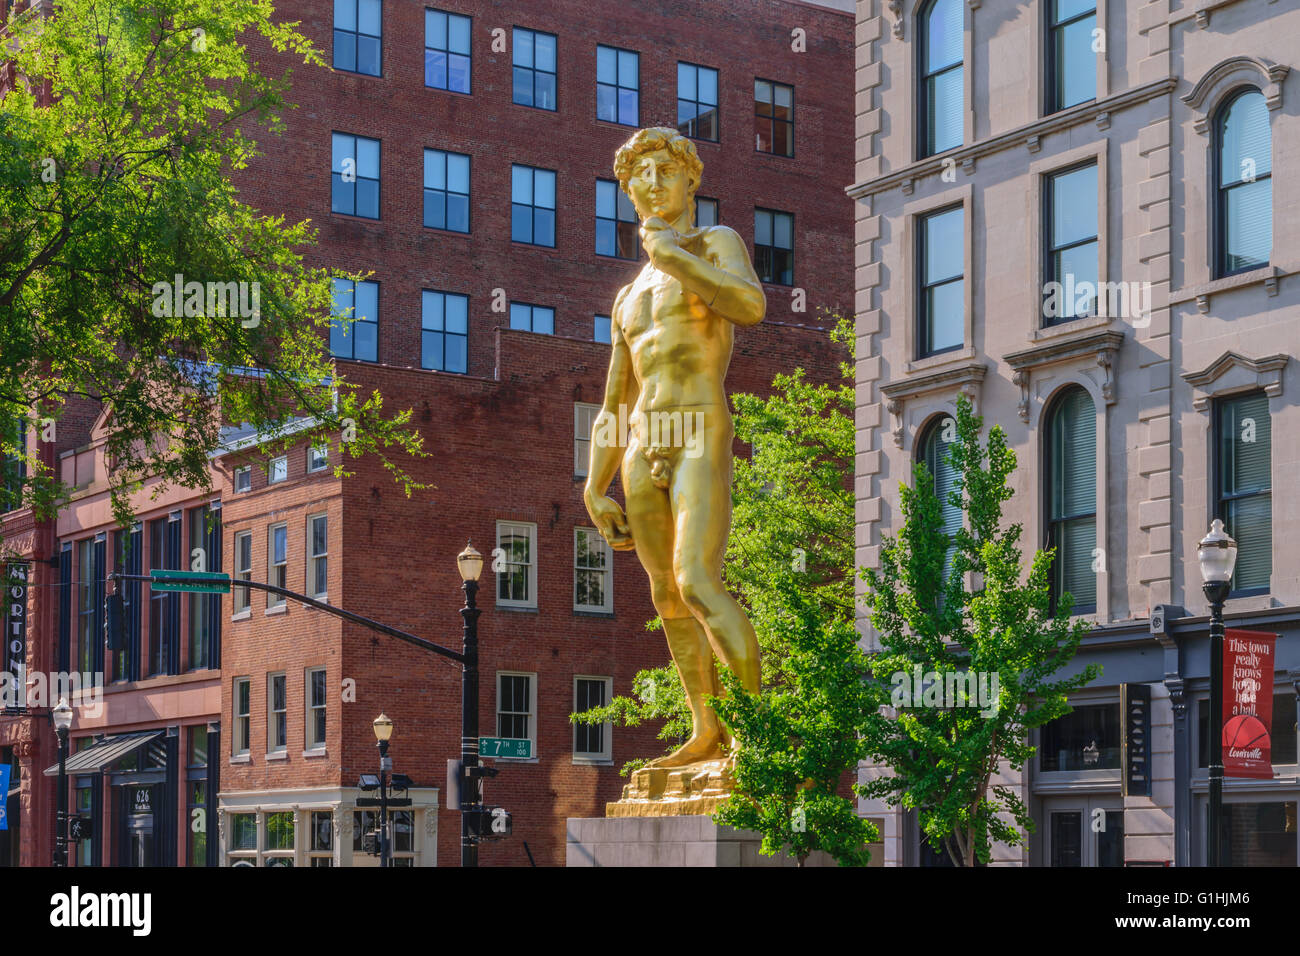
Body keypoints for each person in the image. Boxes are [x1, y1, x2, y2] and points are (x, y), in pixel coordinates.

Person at [583, 127, 764, 769]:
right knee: (665, 595)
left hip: (697, 428)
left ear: (691, 181)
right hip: (641, 443)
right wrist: (593, 487)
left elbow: (749, 305)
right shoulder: (626, 297)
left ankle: (757, 737)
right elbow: (614, 402)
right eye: (641, 176)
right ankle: (705, 731)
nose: (653, 183)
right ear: (629, 194)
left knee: (696, 581)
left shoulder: (714, 243)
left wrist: (671, 256)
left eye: (665, 170)